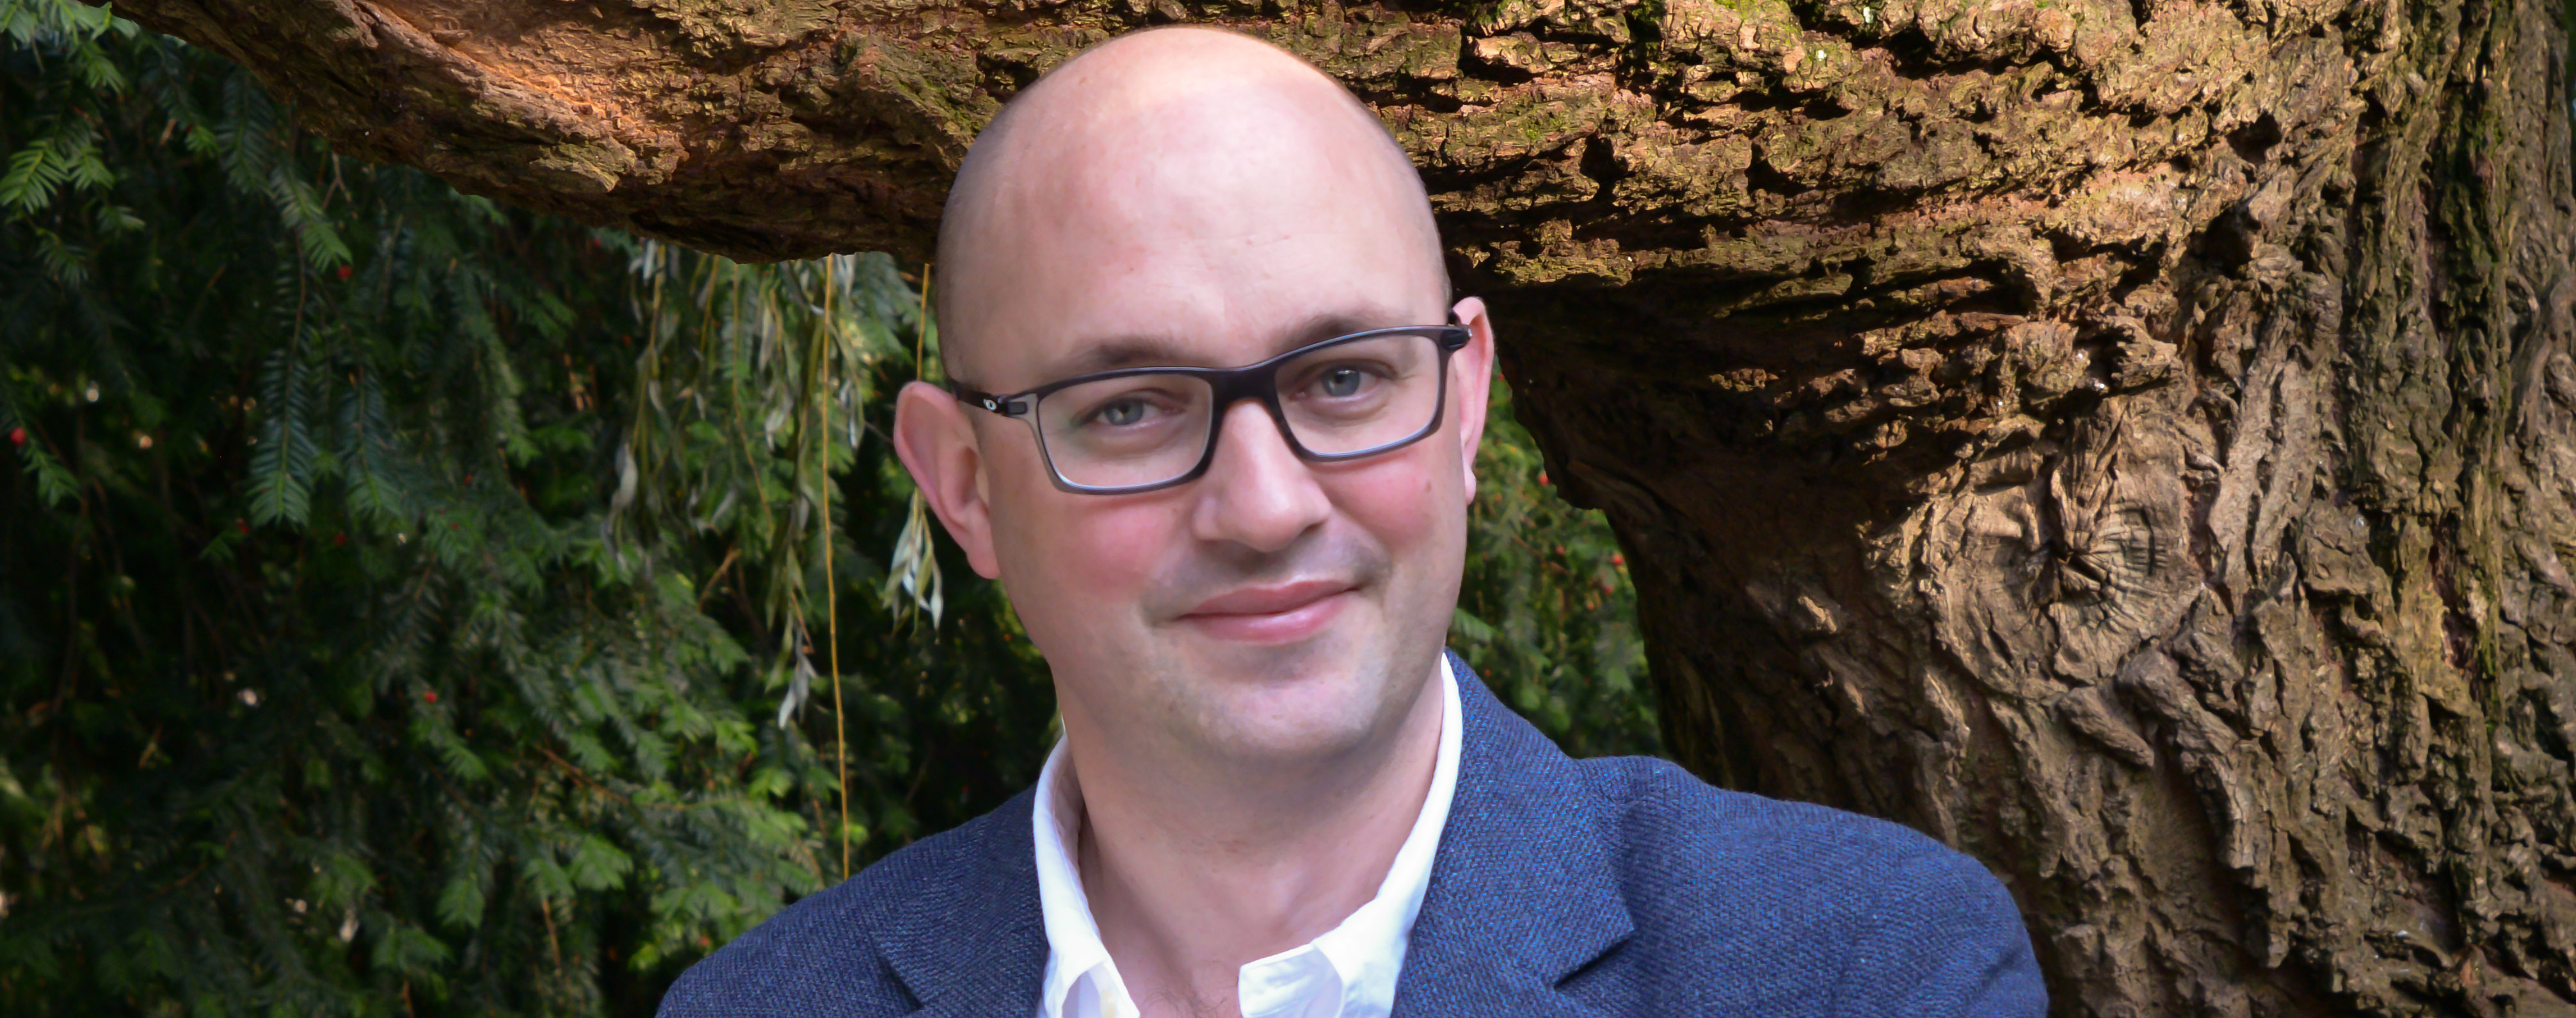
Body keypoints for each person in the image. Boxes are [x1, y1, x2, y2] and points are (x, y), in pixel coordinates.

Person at [660, 26, 2047, 1018]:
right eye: (1130, 408)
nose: (1265, 509)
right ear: (963, 485)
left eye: (1342, 380)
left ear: (1463, 408)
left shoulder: (1862, 967)